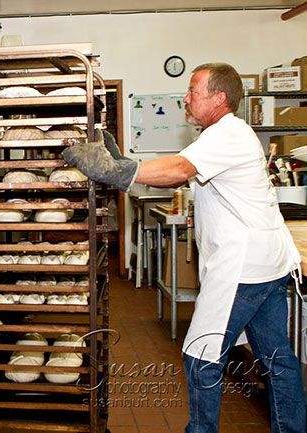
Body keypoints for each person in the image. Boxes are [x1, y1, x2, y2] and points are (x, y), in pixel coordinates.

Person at [63, 63, 306, 433]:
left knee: (200, 356)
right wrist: (127, 164)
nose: (186, 98)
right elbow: (180, 168)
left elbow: (178, 170)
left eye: (194, 91)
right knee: (278, 361)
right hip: (268, 264)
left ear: (219, 98)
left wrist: (116, 172)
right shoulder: (223, 134)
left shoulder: (227, 134)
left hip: (243, 269)